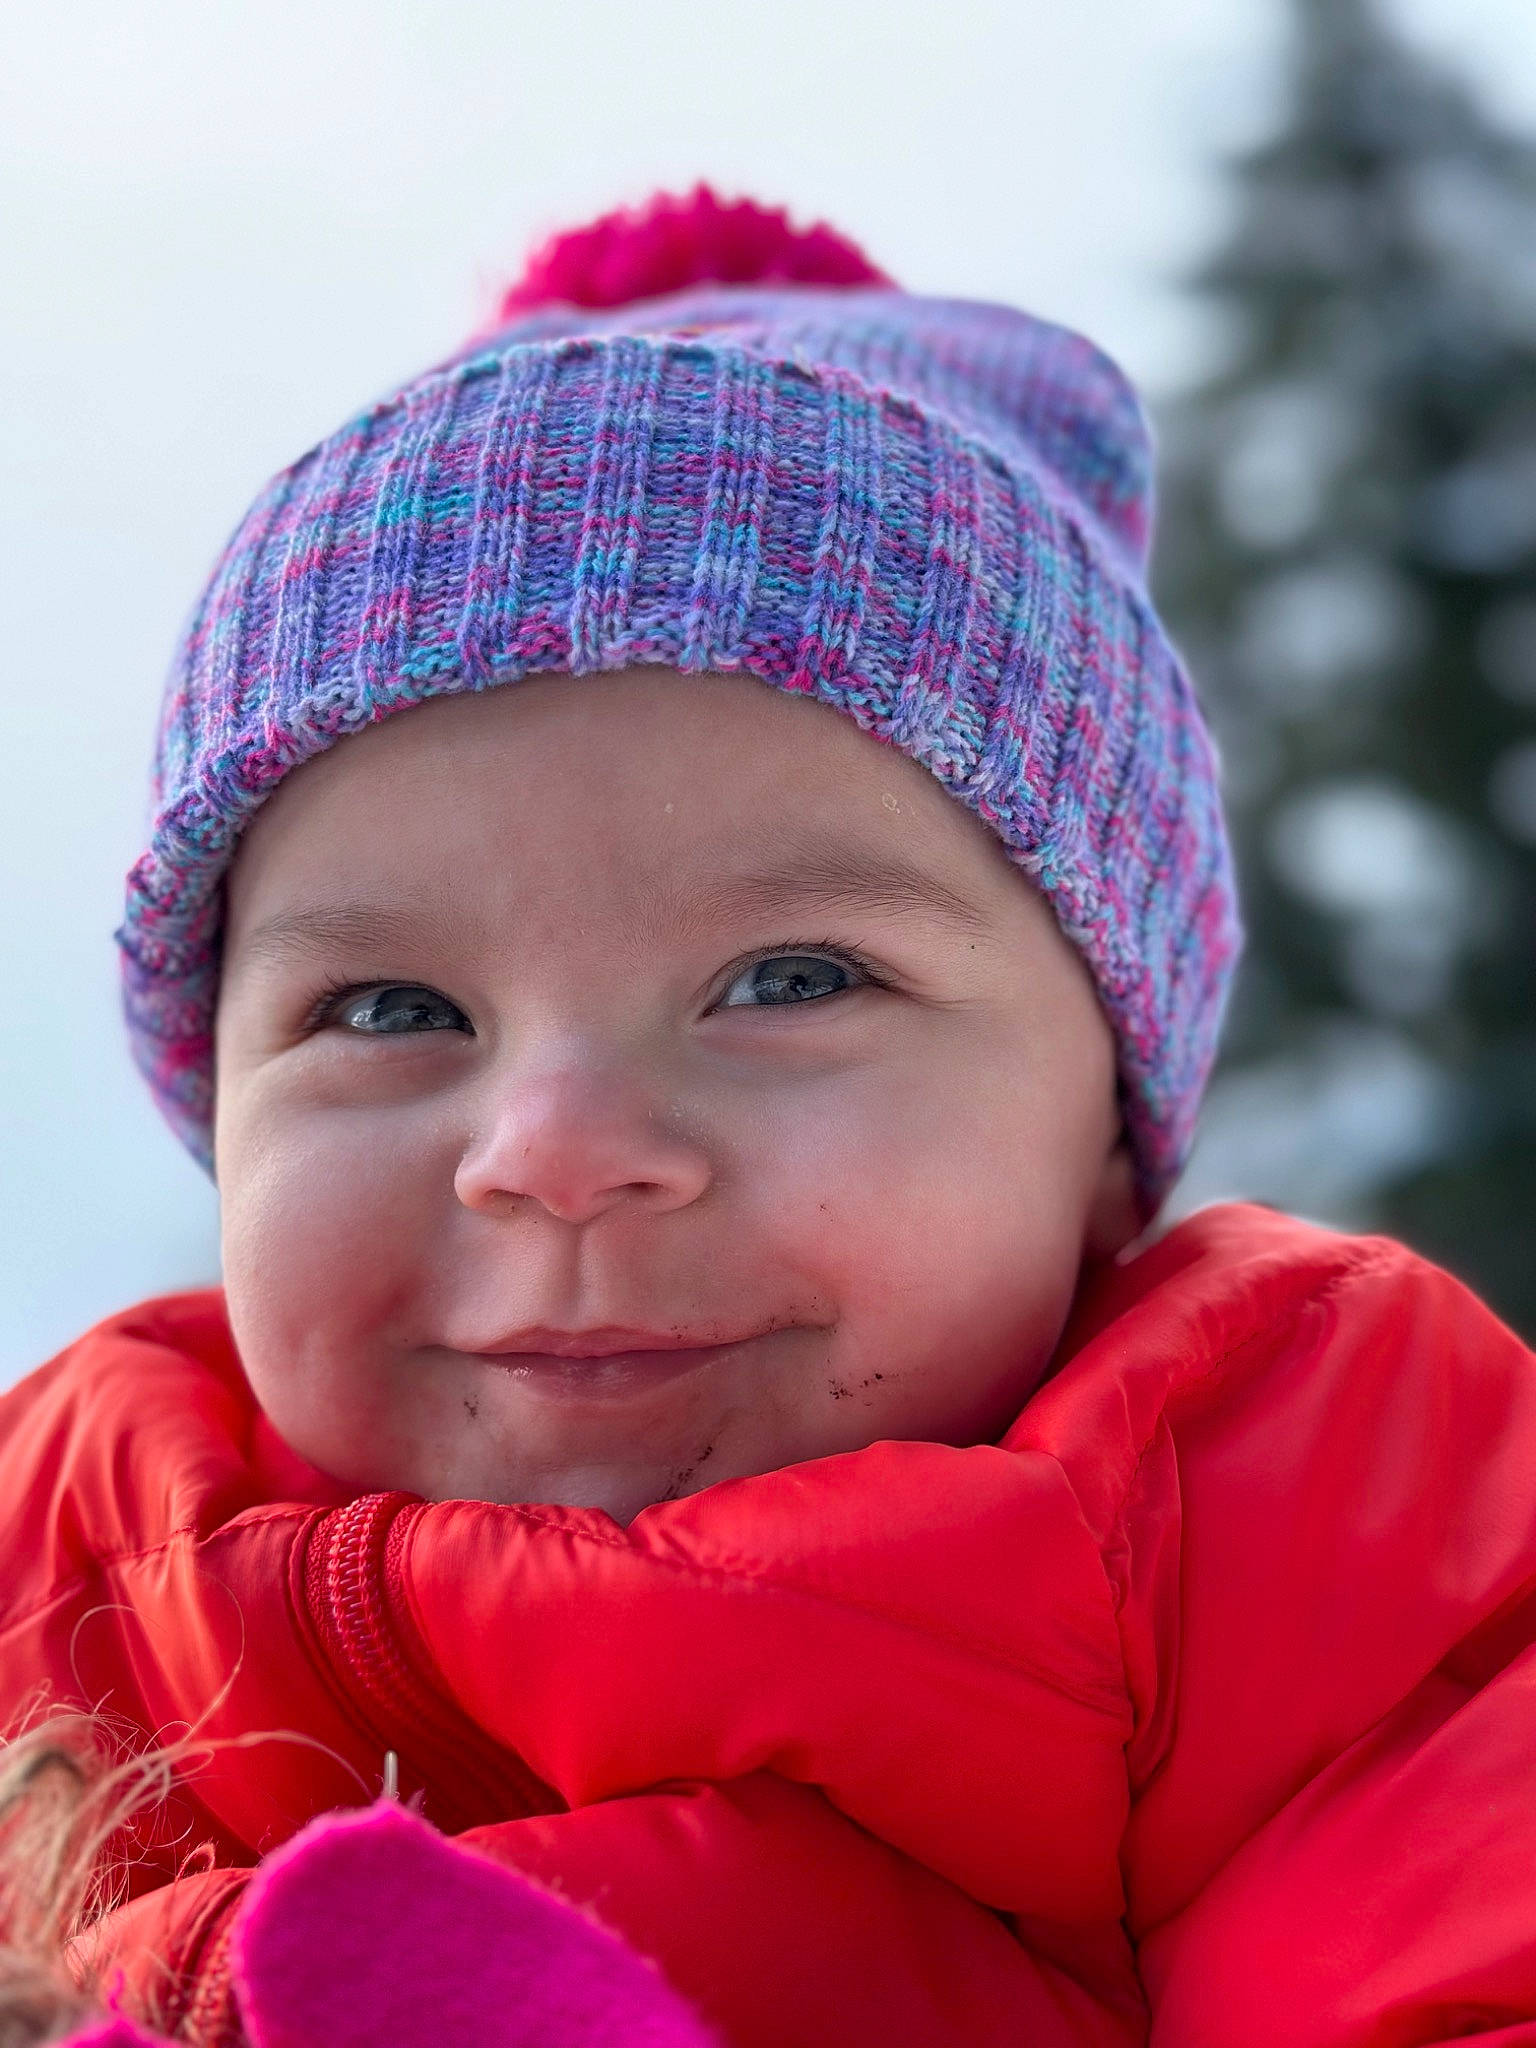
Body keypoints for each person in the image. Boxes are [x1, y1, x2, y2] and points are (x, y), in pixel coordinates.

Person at [2, 182, 1534, 2048]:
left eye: (792, 981)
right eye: (392, 1009)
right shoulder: (68, 1560)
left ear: (1110, 1133)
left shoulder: (1316, 1521)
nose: (554, 1148)